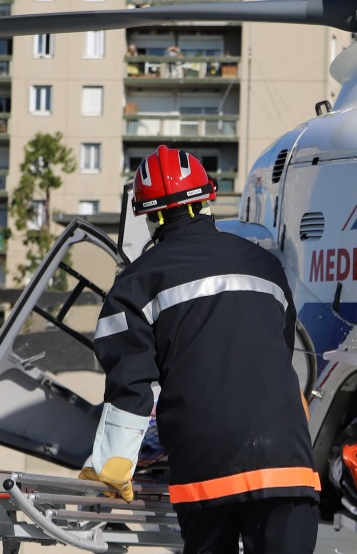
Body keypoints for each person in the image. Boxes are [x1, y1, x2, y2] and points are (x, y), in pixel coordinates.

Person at [81, 144, 319, 554]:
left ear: (150, 215)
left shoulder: (136, 284)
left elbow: (130, 386)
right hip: (287, 463)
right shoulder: (265, 266)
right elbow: (283, 354)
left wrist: (112, 465)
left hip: (207, 467)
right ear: (207, 198)